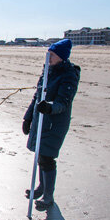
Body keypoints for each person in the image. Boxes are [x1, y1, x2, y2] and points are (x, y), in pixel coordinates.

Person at [23, 39, 80, 210]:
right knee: (40, 155)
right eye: (47, 54)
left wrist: (49, 108)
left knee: (47, 158)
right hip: (41, 120)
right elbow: (37, 96)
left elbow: (63, 102)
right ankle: (41, 188)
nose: (48, 58)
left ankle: (48, 197)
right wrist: (28, 118)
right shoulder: (47, 71)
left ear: (61, 57)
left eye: (52, 55)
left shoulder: (69, 75)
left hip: (54, 123)